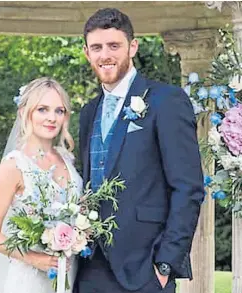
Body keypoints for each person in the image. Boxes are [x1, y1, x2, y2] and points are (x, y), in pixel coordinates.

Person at [74, 8, 205, 293]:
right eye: (96, 47)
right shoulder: (88, 112)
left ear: (132, 46)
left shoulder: (166, 101)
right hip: (89, 266)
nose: (105, 55)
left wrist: (165, 263)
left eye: (114, 45)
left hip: (144, 268)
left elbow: (188, 188)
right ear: (86, 53)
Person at [0, 77, 83, 293]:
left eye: (59, 111)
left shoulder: (66, 159)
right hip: (29, 278)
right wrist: (35, 258)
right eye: (42, 109)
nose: (51, 118)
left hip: (68, 272)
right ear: (25, 112)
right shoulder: (14, 166)